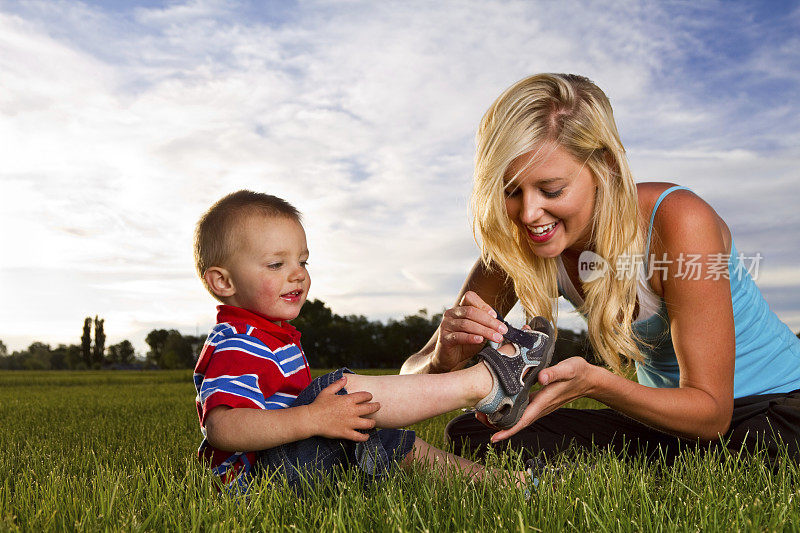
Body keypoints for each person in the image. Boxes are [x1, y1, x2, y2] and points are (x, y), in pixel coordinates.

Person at [401, 73, 800, 465]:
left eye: (551, 190)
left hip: (773, 408)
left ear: (604, 167)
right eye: (511, 191)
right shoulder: (518, 248)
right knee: (473, 433)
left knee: (738, 445)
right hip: (670, 423)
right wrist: (441, 355)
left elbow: (712, 414)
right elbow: (410, 377)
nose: (528, 214)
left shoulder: (678, 220)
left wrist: (596, 384)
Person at [192, 190, 551, 492]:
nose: (298, 274)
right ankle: (486, 384)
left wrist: (318, 419)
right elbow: (222, 428)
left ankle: (509, 484)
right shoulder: (236, 342)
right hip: (260, 480)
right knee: (335, 390)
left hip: (288, 460)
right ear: (223, 282)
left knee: (391, 442)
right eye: (275, 265)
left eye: (302, 261)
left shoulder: (271, 336)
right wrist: (312, 418)